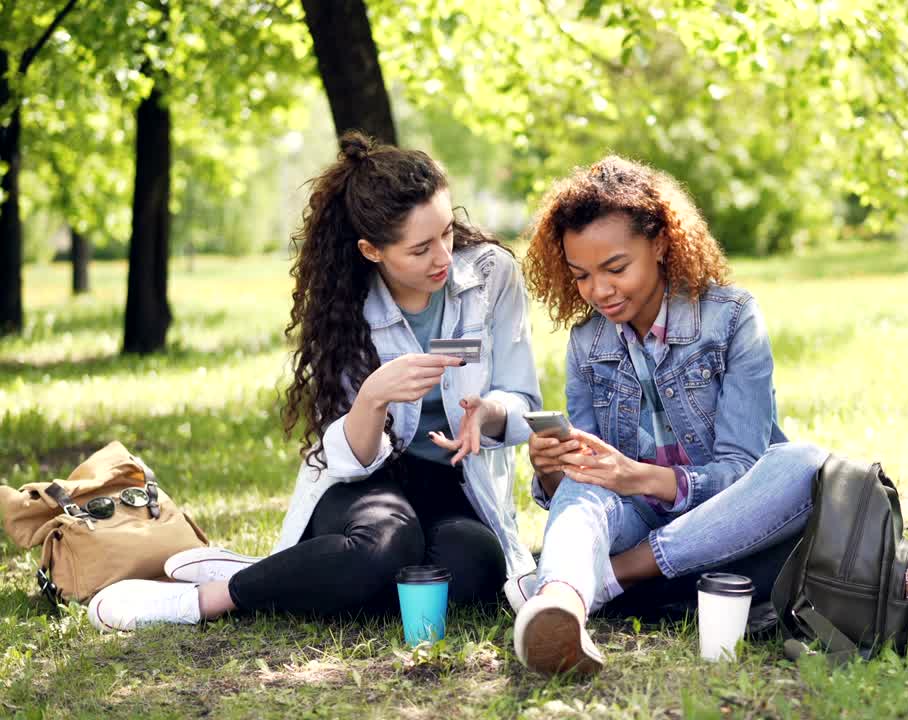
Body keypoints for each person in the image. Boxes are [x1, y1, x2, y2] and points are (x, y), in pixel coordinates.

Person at [89, 133, 541, 631]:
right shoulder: (347, 302)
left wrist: (491, 412)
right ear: (372, 250)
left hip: (458, 483)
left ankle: (287, 571)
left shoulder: (492, 276)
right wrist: (372, 398)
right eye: (419, 249)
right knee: (384, 547)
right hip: (369, 481)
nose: (442, 256)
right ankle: (204, 601)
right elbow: (349, 458)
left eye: (447, 233)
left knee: (476, 566)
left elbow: (523, 399)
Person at [512, 155, 828, 674]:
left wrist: (640, 478)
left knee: (805, 465)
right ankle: (561, 607)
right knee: (583, 485)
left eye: (616, 268)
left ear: (660, 242)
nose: (599, 291)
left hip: (729, 520)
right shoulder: (587, 342)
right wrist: (551, 466)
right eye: (581, 276)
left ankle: (606, 580)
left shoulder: (731, 318)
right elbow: (586, 482)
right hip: (637, 519)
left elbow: (741, 472)